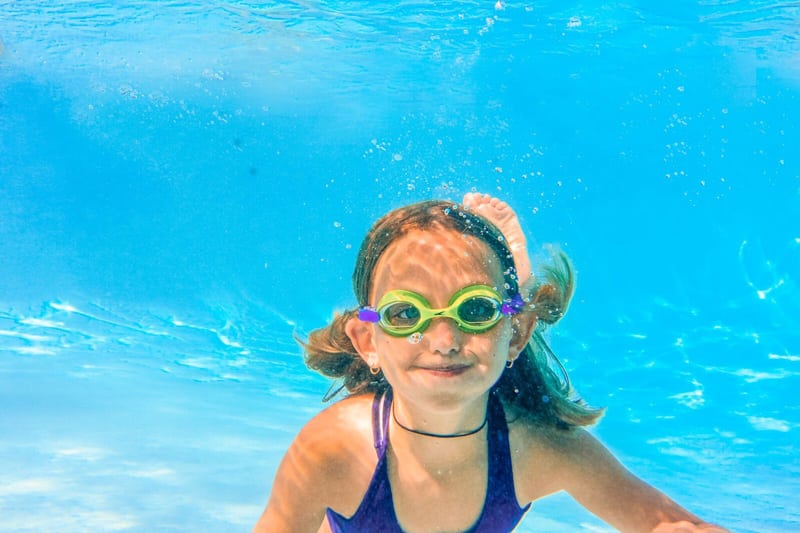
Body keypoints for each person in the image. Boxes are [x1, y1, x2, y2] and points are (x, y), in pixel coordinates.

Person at [254, 193, 727, 533]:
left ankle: (504, 293)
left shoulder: (536, 448)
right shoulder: (334, 449)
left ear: (520, 333)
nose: (443, 340)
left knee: (491, 346)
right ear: (368, 342)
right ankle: (501, 291)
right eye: (406, 314)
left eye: (473, 310)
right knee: (484, 344)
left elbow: (666, 523)